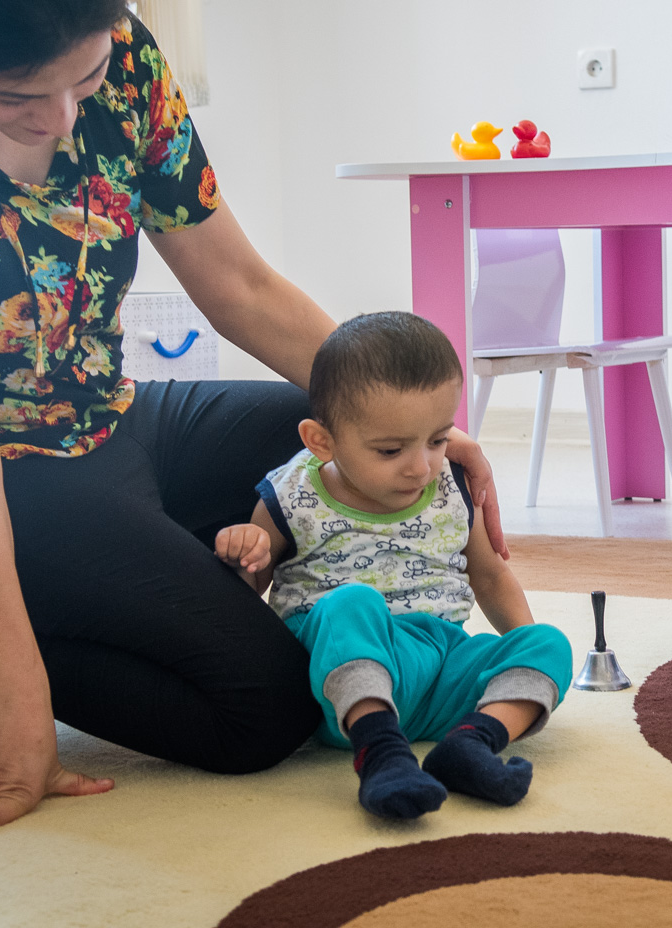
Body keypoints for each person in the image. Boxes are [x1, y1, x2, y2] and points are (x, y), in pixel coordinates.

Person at [0, 0, 507, 847]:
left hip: (113, 419)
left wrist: (411, 429)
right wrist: (17, 711)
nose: (64, 118)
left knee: (364, 457)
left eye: (86, 80)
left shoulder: (123, 46)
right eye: (16, 96)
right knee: (265, 708)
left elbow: (241, 288)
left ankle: (124, 578)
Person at [213, 312, 571, 819]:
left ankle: (471, 743)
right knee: (351, 603)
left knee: (549, 643)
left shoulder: (450, 486)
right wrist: (243, 553)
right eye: (390, 450)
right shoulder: (291, 495)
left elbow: (491, 576)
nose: (420, 467)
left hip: (440, 666)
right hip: (337, 679)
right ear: (322, 441)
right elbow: (243, 599)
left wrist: (519, 660)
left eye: (438, 440)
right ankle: (379, 750)